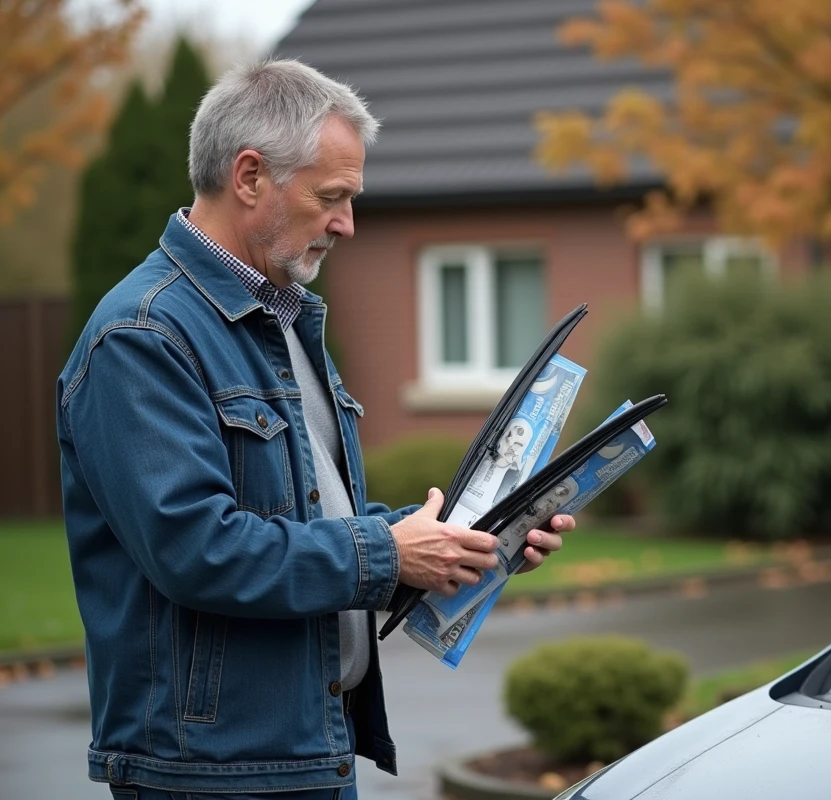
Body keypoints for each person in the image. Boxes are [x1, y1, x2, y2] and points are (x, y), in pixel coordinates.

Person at [55, 59, 575, 800]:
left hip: (309, 753)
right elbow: (198, 550)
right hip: (213, 776)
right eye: (332, 197)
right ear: (249, 177)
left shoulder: (284, 319)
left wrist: (471, 541)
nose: (347, 224)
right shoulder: (143, 337)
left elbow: (313, 526)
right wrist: (390, 553)